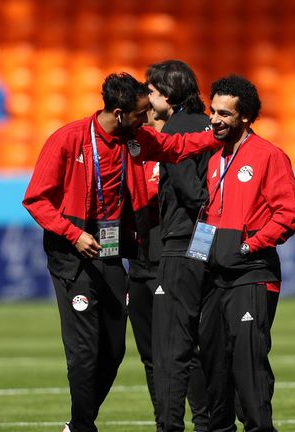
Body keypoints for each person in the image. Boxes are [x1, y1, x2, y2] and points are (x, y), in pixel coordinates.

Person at [22, 72, 223, 432]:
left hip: (110, 251)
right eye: (140, 113)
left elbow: (176, 148)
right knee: (84, 351)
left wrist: (215, 135)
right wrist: (73, 234)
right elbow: (35, 199)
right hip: (73, 254)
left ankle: (78, 422)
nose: (146, 119)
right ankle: (82, 426)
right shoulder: (67, 140)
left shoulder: (137, 139)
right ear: (118, 113)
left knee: (114, 351)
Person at [196, 75, 295, 432]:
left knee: (248, 364)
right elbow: (206, 214)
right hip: (213, 277)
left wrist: (248, 245)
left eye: (224, 114)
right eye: (213, 111)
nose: (215, 119)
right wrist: (200, 258)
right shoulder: (211, 157)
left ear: (244, 117)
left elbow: (288, 215)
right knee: (213, 364)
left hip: (252, 274)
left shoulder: (269, 156)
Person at [145, 60, 211, 432]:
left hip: (180, 242)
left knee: (171, 344)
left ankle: (170, 426)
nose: (148, 98)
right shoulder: (209, 125)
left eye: (152, 91)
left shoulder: (176, 131)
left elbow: (190, 190)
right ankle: (206, 422)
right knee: (199, 340)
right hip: (204, 241)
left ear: (167, 94)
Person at [126, 109, 162, 430]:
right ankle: (163, 421)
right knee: (149, 355)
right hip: (138, 262)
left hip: (169, 261)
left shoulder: (175, 150)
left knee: (185, 352)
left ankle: (207, 420)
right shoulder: (129, 152)